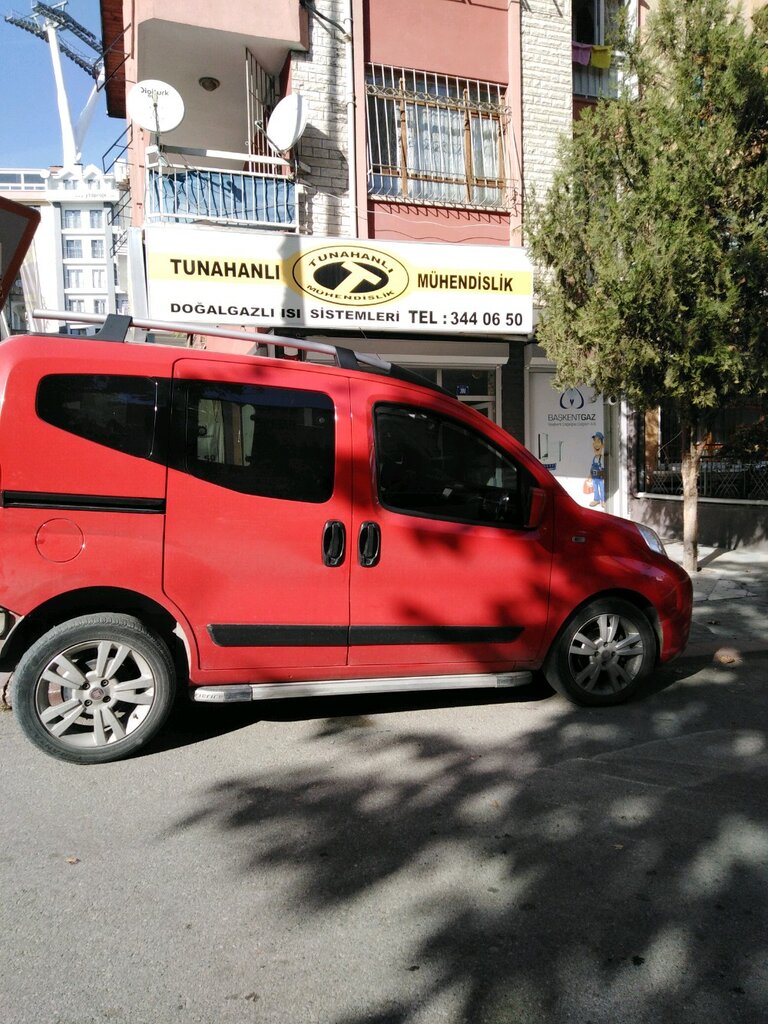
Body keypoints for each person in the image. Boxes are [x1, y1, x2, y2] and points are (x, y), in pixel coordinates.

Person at [589, 431, 605, 508]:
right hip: (594, 477)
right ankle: (596, 499)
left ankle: (603, 500)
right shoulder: (594, 458)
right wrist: (590, 475)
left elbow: (604, 468)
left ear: (602, 445)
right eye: (595, 441)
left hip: (600, 477)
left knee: (602, 489)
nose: (596, 444)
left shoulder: (602, 458)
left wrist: (604, 477)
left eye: (598, 441)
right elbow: (592, 467)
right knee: (595, 489)